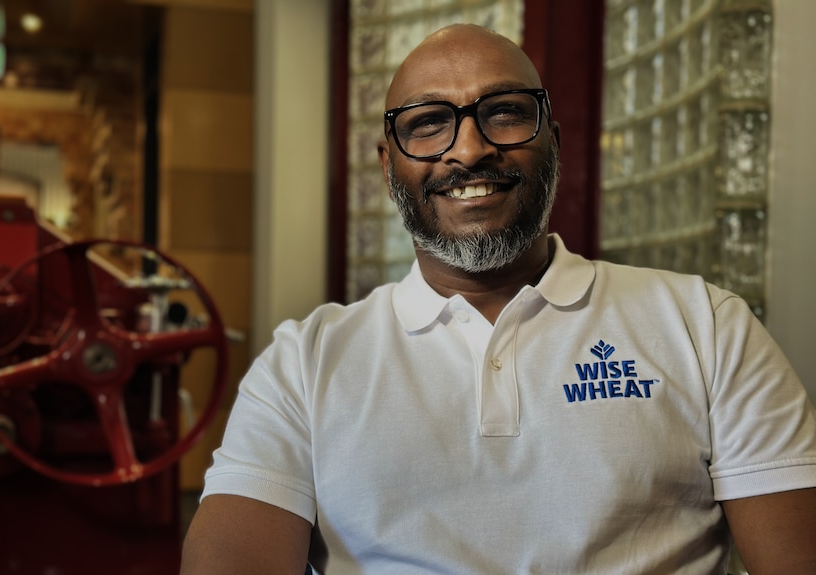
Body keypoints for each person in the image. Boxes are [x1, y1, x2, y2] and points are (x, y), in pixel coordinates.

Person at [180, 23, 816, 575]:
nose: (470, 147)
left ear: (554, 143)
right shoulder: (305, 362)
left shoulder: (705, 326)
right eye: (428, 124)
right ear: (386, 163)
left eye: (506, 112)